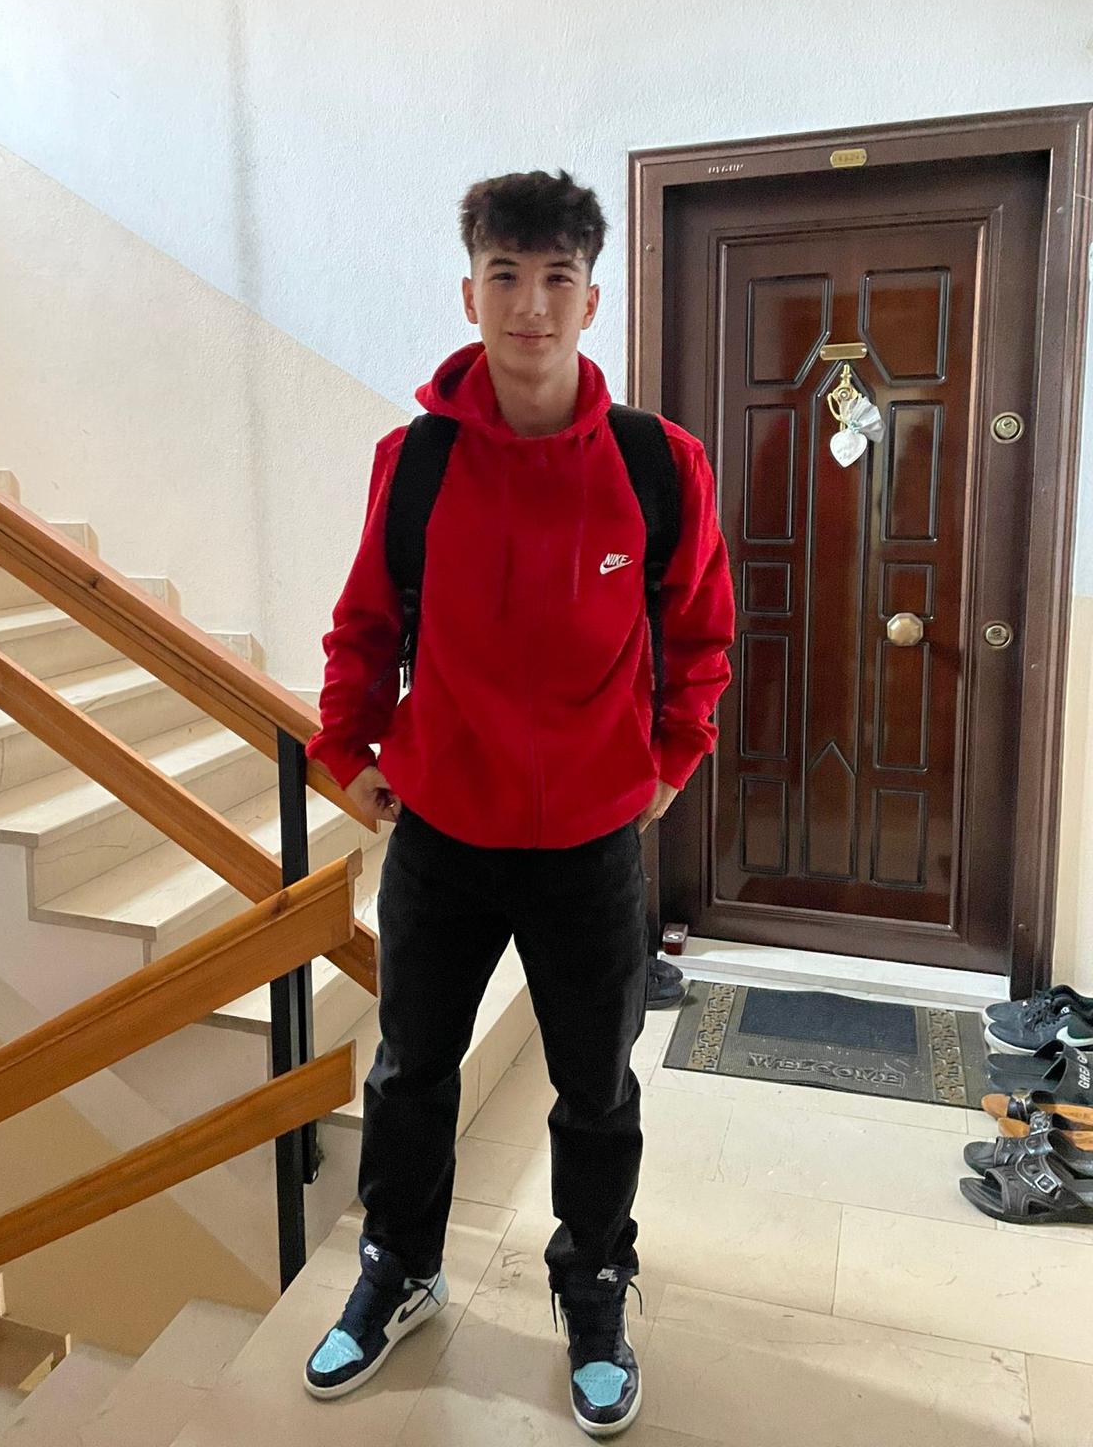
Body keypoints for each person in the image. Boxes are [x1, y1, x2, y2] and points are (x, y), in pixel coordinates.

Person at [302, 169, 734, 1437]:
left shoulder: (658, 464)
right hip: (442, 833)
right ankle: (400, 1266)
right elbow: (364, 622)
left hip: (593, 845)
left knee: (597, 1086)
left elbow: (701, 631)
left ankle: (592, 1282)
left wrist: (672, 758)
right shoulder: (416, 462)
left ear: (592, 299)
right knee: (411, 1071)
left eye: (557, 279)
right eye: (507, 275)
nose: (531, 305)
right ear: (470, 293)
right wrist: (346, 746)